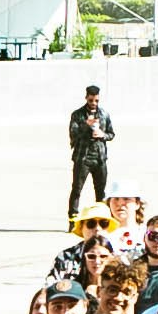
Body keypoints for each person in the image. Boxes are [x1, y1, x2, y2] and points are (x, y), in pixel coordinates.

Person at [65, 87, 115, 220]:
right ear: (86, 97)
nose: (94, 103)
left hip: (100, 159)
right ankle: (73, 218)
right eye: (91, 100)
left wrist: (102, 135)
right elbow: (73, 134)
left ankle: (101, 218)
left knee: (100, 191)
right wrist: (86, 126)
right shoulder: (78, 115)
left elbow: (111, 134)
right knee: (77, 189)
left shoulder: (104, 114)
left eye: (96, 100)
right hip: (83, 158)